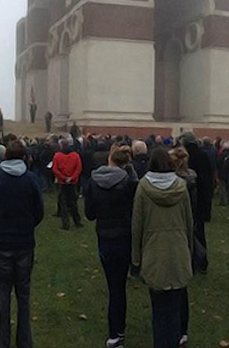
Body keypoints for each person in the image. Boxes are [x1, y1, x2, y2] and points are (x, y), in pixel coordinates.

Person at [0, 139, 45, 348]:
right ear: (25, 156)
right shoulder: (31, 180)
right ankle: (25, 342)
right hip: (24, 243)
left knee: (4, 295)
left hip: (0, 243)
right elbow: (39, 212)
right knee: (24, 295)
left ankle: (4, 342)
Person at [131, 147, 194, 348]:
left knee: (159, 311)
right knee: (174, 311)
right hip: (178, 252)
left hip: (153, 253)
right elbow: (189, 223)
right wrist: (189, 252)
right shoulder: (182, 187)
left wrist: (136, 258)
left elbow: (137, 225)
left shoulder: (142, 187)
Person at [84, 145, 138, 348]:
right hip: (124, 237)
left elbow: (90, 214)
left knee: (113, 286)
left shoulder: (93, 181)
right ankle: (118, 331)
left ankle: (115, 332)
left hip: (105, 238)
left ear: (110, 160)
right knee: (119, 286)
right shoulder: (128, 183)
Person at [179, 132, 211, 273]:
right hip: (202, 201)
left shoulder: (186, 158)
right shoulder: (203, 156)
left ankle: (191, 262)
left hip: (189, 200)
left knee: (188, 233)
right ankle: (202, 262)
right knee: (199, 233)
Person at [53, 138, 83, 230]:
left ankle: (65, 223)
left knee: (63, 203)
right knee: (73, 202)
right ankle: (77, 221)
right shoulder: (75, 155)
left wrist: (63, 178)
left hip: (62, 182)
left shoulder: (57, 155)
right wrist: (72, 178)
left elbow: (55, 169)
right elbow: (79, 168)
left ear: (61, 145)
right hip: (72, 182)